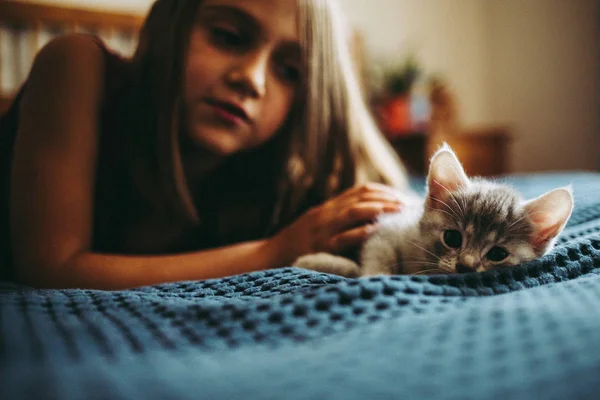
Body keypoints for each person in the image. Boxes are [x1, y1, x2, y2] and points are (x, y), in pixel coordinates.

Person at [0, 0, 408, 290]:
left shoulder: (276, 174)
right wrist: (274, 252)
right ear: (172, 22)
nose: (253, 79)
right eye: (228, 37)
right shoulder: (76, 66)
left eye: (289, 71)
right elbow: (50, 268)